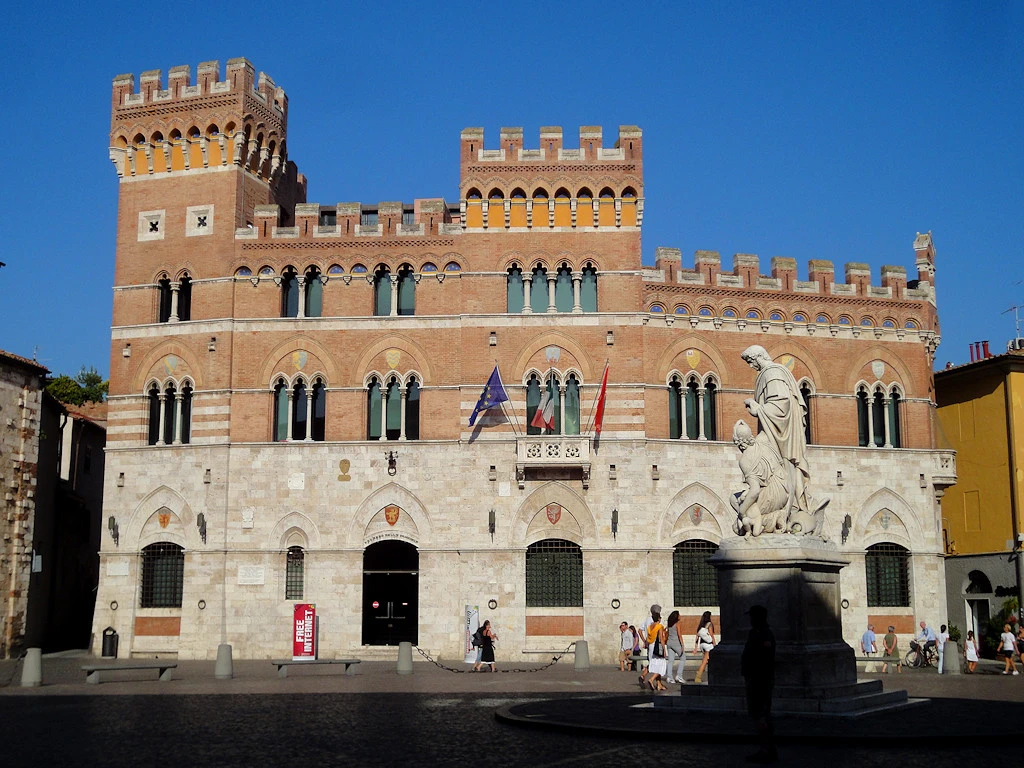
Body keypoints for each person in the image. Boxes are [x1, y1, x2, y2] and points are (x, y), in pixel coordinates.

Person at [741, 344, 811, 517]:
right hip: (776, 430)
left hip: (780, 435)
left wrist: (758, 409)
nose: (750, 366)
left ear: (758, 357)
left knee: (781, 473)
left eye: (750, 361)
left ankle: (783, 511)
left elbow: (781, 404)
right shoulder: (771, 373)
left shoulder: (772, 373)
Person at [741, 604, 777, 764]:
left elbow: (764, 657)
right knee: (761, 715)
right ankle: (768, 748)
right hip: (755, 678)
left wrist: (754, 674)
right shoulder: (756, 632)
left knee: (760, 714)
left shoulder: (764, 634)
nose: (749, 619)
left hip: (760, 679)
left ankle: (766, 750)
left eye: (751, 616)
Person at [638, 604, 660, 680]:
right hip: (655, 644)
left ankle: (643, 676)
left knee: (652, 662)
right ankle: (652, 680)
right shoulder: (656, 622)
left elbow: (640, 631)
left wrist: (645, 641)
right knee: (658, 663)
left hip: (649, 644)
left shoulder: (647, 620)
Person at [694, 610, 716, 683]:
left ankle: (706, 675)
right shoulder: (709, 624)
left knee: (707, 661)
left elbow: (697, 637)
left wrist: (696, 647)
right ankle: (698, 676)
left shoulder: (701, 626)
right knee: (704, 661)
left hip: (702, 645)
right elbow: (711, 635)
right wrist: (714, 644)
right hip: (708, 645)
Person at [665, 610, 685, 684]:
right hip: (676, 643)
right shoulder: (677, 624)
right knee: (683, 658)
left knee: (670, 661)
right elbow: (679, 635)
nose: (680, 616)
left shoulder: (669, 625)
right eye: (679, 615)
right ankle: (679, 676)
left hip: (669, 643)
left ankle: (669, 677)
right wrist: (682, 645)